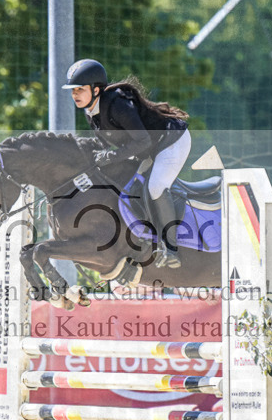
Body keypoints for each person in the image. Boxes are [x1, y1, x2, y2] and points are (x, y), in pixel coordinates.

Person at [62, 58, 191, 269]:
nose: (74, 94)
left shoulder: (118, 105)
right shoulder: (91, 112)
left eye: (79, 89)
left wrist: (111, 157)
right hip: (147, 149)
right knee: (129, 185)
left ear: (96, 90)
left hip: (171, 141)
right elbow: (108, 146)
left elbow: (143, 141)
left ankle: (171, 248)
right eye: (72, 90)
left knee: (156, 187)